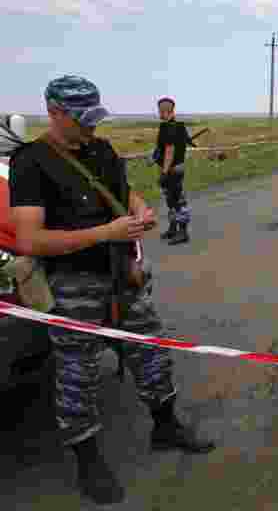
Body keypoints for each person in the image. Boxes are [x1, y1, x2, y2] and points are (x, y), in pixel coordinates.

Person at [9, 76, 214, 505]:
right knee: (76, 374)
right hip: (71, 282)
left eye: (94, 118)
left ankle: (166, 425)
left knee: (151, 349)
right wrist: (108, 231)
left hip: (122, 273)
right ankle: (88, 460)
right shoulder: (32, 162)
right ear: (55, 114)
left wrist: (139, 211)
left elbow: (124, 191)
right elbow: (29, 239)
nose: (91, 128)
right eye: (82, 120)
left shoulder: (100, 150)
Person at [153, 96, 191, 244]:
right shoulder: (179, 126)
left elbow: (170, 150)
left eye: (159, 110)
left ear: (165, 110)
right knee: (171, 201)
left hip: (172, 170)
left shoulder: (169, 127)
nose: (158, 113)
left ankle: (183, 232)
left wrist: (164, 172)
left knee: (178, 202)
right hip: (175, 168)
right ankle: (173, 228)